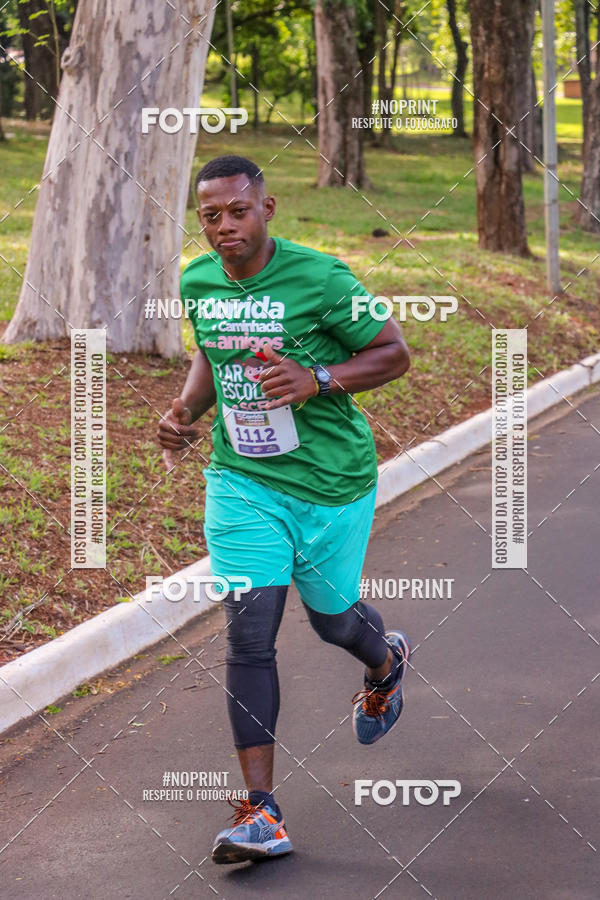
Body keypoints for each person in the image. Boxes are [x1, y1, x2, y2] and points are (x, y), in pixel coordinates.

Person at [157, 155, 411, 865]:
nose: (225, 225)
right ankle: (260, 812)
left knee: (335, 622)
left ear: (266, 209)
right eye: (211, 214)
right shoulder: (199, 279)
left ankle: (385, 662)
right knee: (249, 637)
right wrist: (185, 410)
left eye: (238, 210)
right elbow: (211, 354)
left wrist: (319, 378)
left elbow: (395, 353)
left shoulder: (321, 278)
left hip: (331, 482)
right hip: (242, 482)